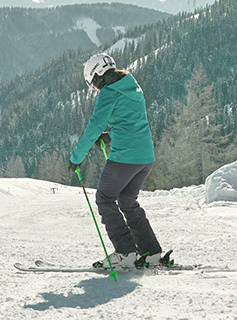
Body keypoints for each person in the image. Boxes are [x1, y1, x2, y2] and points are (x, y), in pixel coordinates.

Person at [70, 53, 174, 272]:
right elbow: (130, 121)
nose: (96, 89)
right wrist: (111, 136)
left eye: (94, 84)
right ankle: (152, 252)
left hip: (125, 158)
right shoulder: (132, 85)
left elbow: (94, 126)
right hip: (145, 157)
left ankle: (125, 253)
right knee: (127, 200)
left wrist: (76, 158)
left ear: (97, 75)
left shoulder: (109, 93)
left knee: (105, 198)